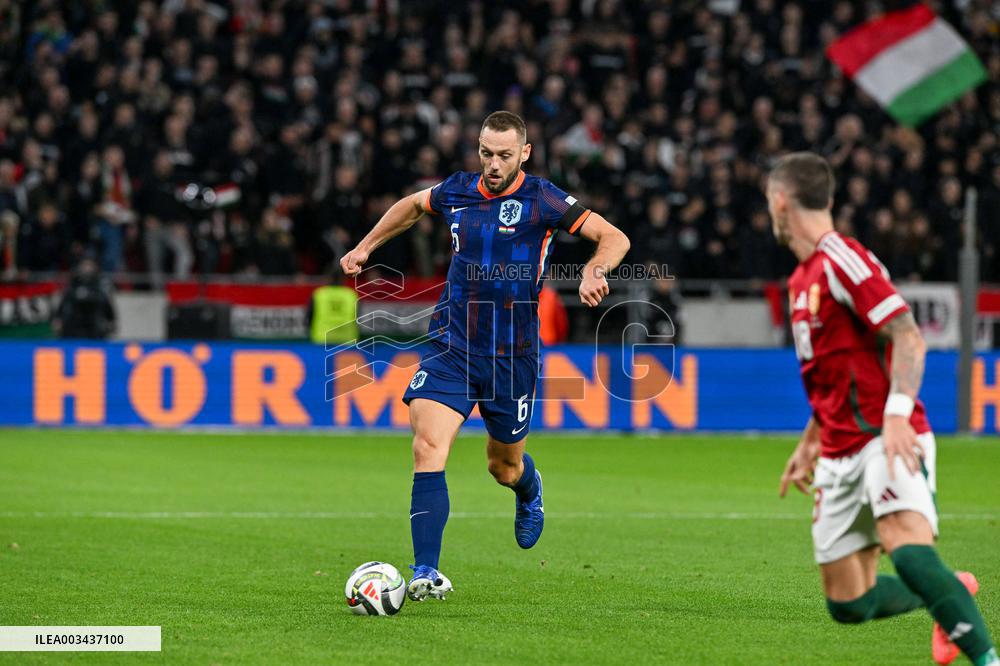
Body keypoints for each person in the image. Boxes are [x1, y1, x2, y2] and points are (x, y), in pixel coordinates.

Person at [340, 111, 630, 601]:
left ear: (525, 153)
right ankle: (426, 572)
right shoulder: (457, 190)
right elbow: (411, 206)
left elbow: (613, 236)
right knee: (427, 448)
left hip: (511, 357)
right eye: (485, 153)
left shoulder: (543, 198)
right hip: (451, 345)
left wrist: (594, 270)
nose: (493, 164)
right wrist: (366, 246)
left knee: (503, 467)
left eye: (503, 155)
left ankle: (529, 488)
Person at [769, 152, 997, 666]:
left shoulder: (843, 260)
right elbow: (831, 375)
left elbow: (908, 336)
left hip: (884, 434)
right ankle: (947, 593)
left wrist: (896, 414)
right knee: (849, 603)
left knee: (905, 544)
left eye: (768, 203)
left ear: (780, 202)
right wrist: (810, 443)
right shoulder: (801, 281)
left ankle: (987, 657)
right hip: (839, 448)